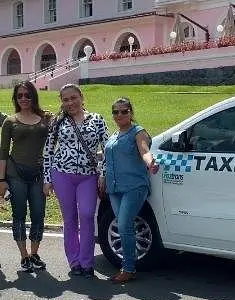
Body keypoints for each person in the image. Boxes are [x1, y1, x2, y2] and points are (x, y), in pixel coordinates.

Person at [43, 84, 108, 278]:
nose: (70, 102)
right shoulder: (58, 121)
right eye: (65, 100)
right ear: (62, 102)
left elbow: (107, 149)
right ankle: (75, 261)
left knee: (87, 215)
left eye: (73, 98)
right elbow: (48, 150)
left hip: (88, 176)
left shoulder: (96, 119)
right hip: (62, 174)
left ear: (81, 97)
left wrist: (103, 174)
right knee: (69, 219)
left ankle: (88, 262)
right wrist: (47, 179)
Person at [100, 97, 158, 284]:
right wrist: (102, 176)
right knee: (124, 226)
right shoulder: (113, 136)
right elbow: (108, 158)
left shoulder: (137, 131)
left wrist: (150, 163)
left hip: (134, 187)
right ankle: (129, 265)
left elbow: (144, 150)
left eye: (124, 111)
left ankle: (129, 269)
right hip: (114, 188)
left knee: (124, 224)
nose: (119, 115)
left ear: (131, 113)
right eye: (115, 112)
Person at [0, 81, 51, 272]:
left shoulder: (45, 119)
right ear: (15, 98)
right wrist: (1, 180)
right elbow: (3, 152)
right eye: (20, 95)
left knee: (38, 215)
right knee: (19, 215)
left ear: (33, 97)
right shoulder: (10, 121)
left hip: (38, 174)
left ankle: (35, 253)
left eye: (27, 95)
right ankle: (24, 256)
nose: (24, 98)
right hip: (16, 175)